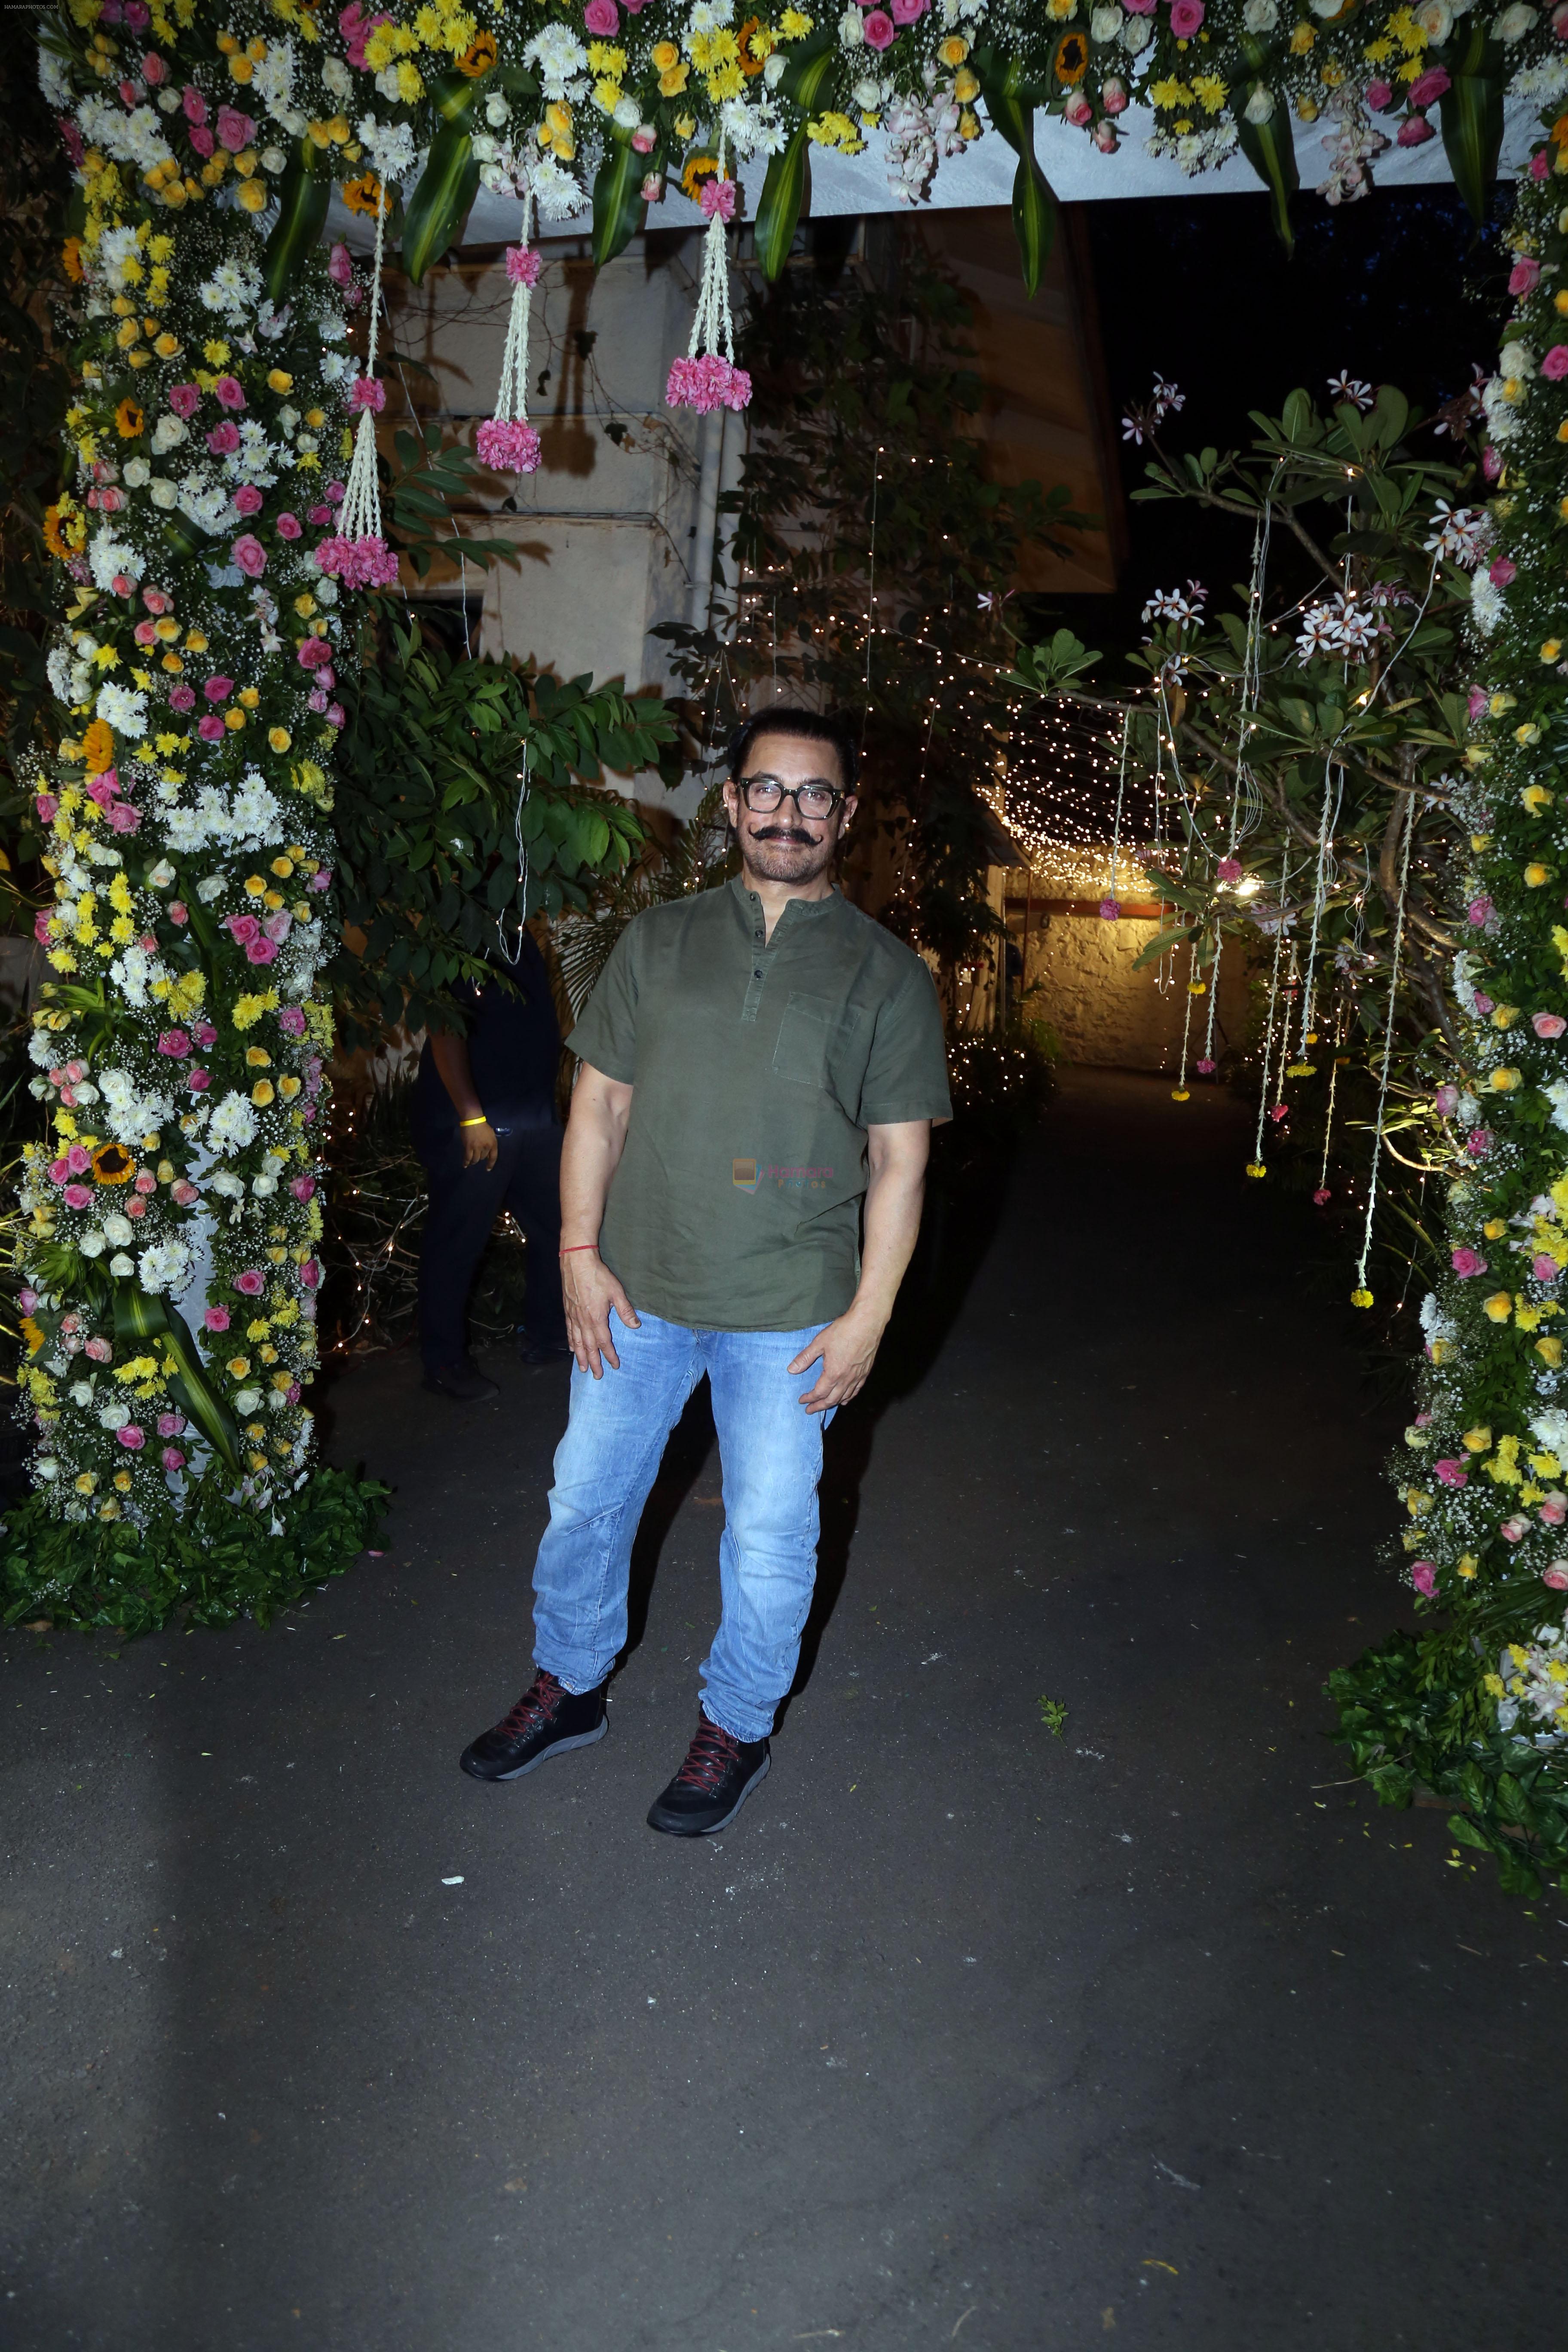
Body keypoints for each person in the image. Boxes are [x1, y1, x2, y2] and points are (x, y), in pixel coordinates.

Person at [459, 708, 952, 1834]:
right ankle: (571, 1687)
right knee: (586, 1504)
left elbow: (901, 1164)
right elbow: (600, 1109)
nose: (788, 812)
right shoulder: (662, 941)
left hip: (791, 1312)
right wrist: (576, 1257)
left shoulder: (886, 975)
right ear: (730, 804)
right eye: (766, 790)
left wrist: (870, 1318)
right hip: (637, 1290)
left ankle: (735, 1722)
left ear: (847, 813)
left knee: (774, 1542)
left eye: (814, 793)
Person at [412, 925, 570, 1405]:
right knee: (458, 1240)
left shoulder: (522, 940)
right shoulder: (460, 934)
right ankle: (443, 1364)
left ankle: (548, 1335)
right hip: (481, 1124)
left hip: (533, 1120)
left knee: (558, 1227)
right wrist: (470, 1115)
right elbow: (444, 1028)